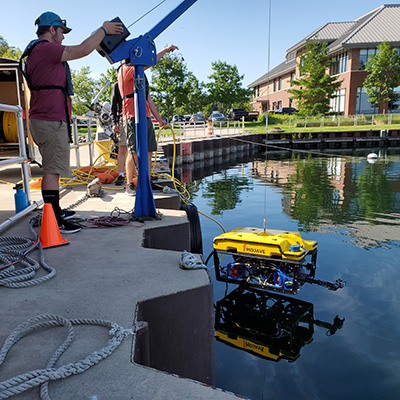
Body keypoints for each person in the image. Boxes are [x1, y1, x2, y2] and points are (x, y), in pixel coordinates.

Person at [23, 12, 123, 233]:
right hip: (49, 119)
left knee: (54, 168)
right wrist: (104, 29)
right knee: (52, 169)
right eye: (62, 32)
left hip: (48, 118)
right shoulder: (45, 48)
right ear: (52, 29)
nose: (63, 37)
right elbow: (82, 50)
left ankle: (54, 211)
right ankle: (54, 220)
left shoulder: (37, 51)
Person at [118, 44, 178, 196]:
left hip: (144, 117)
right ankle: (129, 184)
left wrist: (159, 120)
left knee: (149, 150)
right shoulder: (126, 68)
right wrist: (164, 50)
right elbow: (150, 61)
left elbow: (148, 99)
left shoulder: (140, 76)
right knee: (133, 151)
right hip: (131, 116)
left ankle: (146, 180)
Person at [110, 80, 126, 186]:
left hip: (135, 117)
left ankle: (139, 173)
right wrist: (114, 123)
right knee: (122, 147)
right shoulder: (117, 85)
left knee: (137, 148)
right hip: (122, 119)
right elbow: (113, 106)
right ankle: (121, 174)